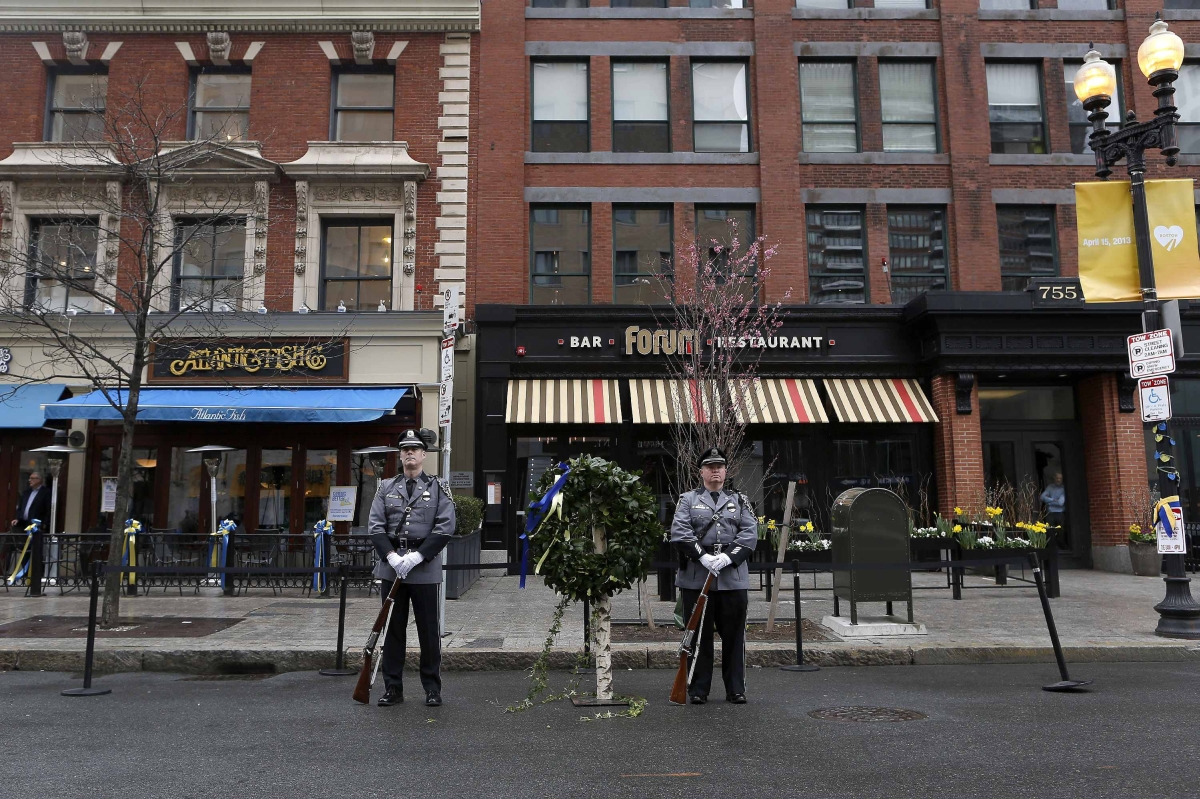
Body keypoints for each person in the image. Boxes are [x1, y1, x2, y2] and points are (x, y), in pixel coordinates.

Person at [368, 429, 455, 708]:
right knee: (392, 631)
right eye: (404, 449)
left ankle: (432, 688)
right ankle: (393, 688)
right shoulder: (385, 487)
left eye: (414, 449)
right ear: (400, 455)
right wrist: (392, 557)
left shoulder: (438, 487)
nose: (409, 453)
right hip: (392, 569)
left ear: (423, 455)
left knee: (429, 632)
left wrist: (417, 557)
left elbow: (445, 527)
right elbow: (375, 526)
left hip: (424, 568)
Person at [670, 447, 757, 704]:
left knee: (734, 636)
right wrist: (703, 556)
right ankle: (698, 690)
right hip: (698, 576)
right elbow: (680, 532)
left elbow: (750, 533)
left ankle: (735, 689)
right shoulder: (687, 499)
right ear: (702, 472)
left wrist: (728, 557)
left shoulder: (740, 500)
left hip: (732, 577)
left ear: (726, 471)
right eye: (710, 467)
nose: (715, 470)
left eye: (719, 466)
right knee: (698, 637)